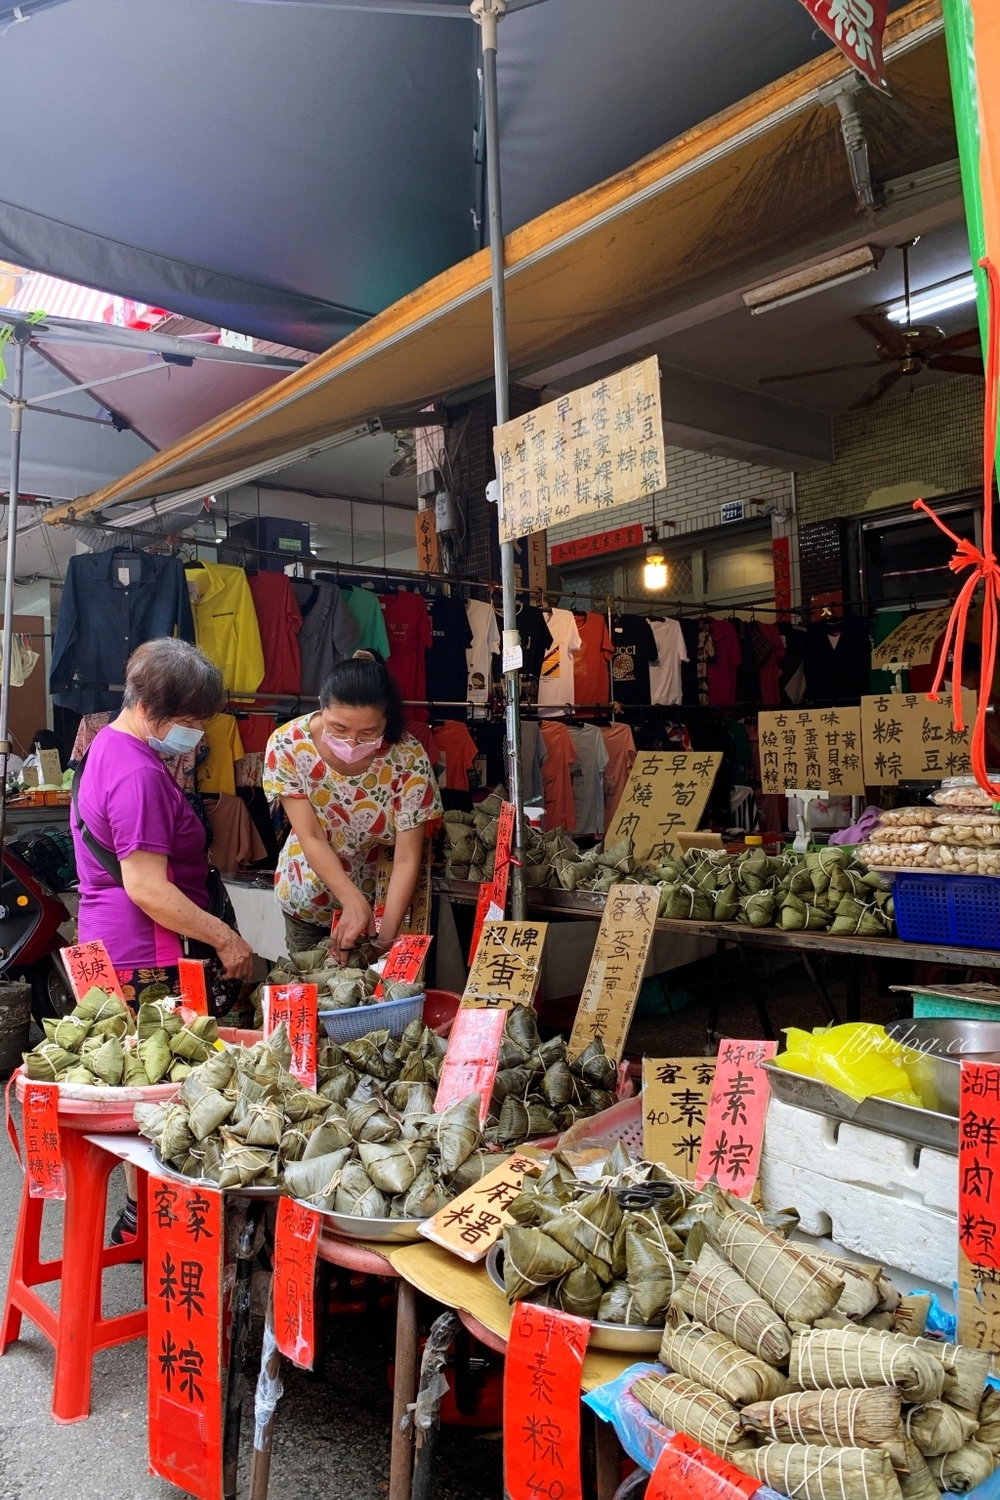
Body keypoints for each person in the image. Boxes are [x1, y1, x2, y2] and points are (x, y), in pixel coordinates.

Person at [72, 637, 255, 1242]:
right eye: (191, 721)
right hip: (149, 957)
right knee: (168, 1091)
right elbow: (148, 888)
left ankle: (138, 1214)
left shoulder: (106, 744)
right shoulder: (137, 775)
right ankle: (158, 1222)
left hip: (110, 947)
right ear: (153, 708)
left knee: (142, 1092)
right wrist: (227, 939)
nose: (197, 734)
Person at [264, 651, 442, 960]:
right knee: (317, 993)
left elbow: (406, 858)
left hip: (383, 903)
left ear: (387, 722)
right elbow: (311, 837)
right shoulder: (288, 744)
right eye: (339, 728)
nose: (352, 742)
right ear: (322, 705)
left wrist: (384, 938)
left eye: (369, 732)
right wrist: (352, 900)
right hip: (308, 897)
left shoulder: (408, 757)